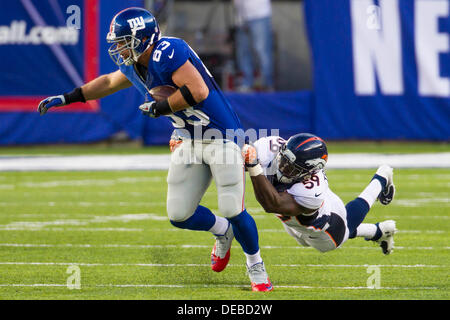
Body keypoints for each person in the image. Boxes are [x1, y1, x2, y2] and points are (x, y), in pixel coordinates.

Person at [37, 7, 272, 292]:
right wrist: (67, 97)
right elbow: (109, 82)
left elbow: (198, 92)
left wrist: (160, 107)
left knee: (232, 207)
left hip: (222, 136)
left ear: (143, 38)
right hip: (189, 139)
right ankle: (223, 231)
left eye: (124, 41)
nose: (118, 48)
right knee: (179, 214)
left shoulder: (168, 50)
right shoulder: (135, 64)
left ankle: (256, 265)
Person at [241, 134, 397, 254]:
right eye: (283, 159)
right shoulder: (271, 146)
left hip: (326, 225)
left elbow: (272, 205)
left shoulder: (310, 191)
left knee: (343, 231)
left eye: (291, 167)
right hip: (295, 220)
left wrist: (254, 165)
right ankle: (379, 231)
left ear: (308, 173)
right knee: (301, 240)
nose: (282, 167)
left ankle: (381, 177)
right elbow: (238, 161)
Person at [233, 0, 274, 92]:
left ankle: (267, 84)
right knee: (243, 52)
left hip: (259, 14)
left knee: (262, 51)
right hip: (241, 17)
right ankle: (247, 82)